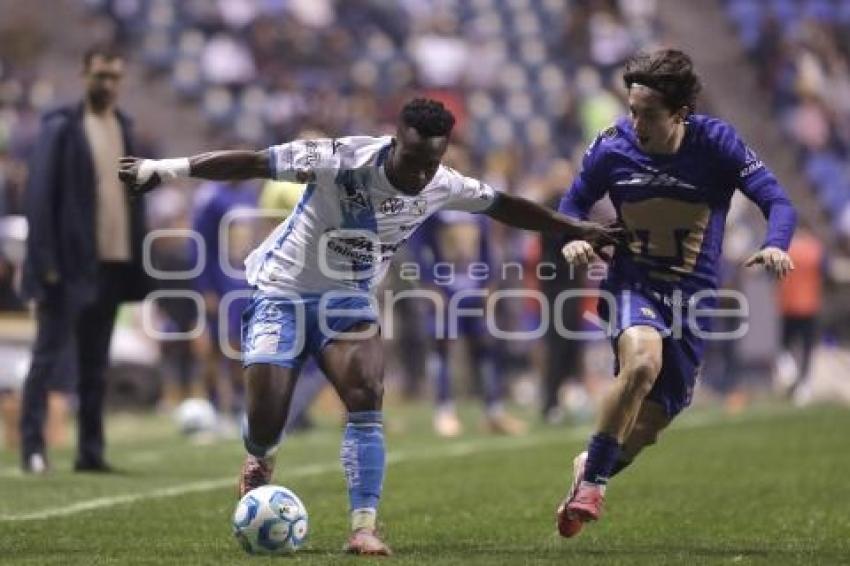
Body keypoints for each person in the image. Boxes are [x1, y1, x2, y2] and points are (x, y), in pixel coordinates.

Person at [119, 98, 623, 556]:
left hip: (349, 300)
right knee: (267, 412)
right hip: (282, 290)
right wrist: (163, 169)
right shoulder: (339, 157)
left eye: (431, 163)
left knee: (366, 393)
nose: (421, 174)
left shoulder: (442, 182)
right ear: (394, 141)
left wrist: (576, 227)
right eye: (413, 160)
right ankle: (260, 458)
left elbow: (505, 205)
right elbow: (251, 162)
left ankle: (363, 526)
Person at [554, 49, 797, 538]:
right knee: (643, 363)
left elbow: (778, 200)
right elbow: (573, 202)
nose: (635, 123)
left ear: (680, 113)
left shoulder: (717, 143)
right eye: (632, 110)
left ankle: (590, 465)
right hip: (632, 283)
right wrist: (575, 235)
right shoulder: (612, 146)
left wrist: (775, 243)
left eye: (648, 114)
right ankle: (592, 487)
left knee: (648, 427)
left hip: (693, 297)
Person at [19, 44, 152, 473]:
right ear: (84, 75)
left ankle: (90, 452)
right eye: (100, 75)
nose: (108, 84)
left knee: (95, 364)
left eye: (114, 77)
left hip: (113, 264)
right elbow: (39, 198)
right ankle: (33, 448)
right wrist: (45, 264)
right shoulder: (62, 126)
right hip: (67, 266)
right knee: (47, 359)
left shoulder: (123, 126)